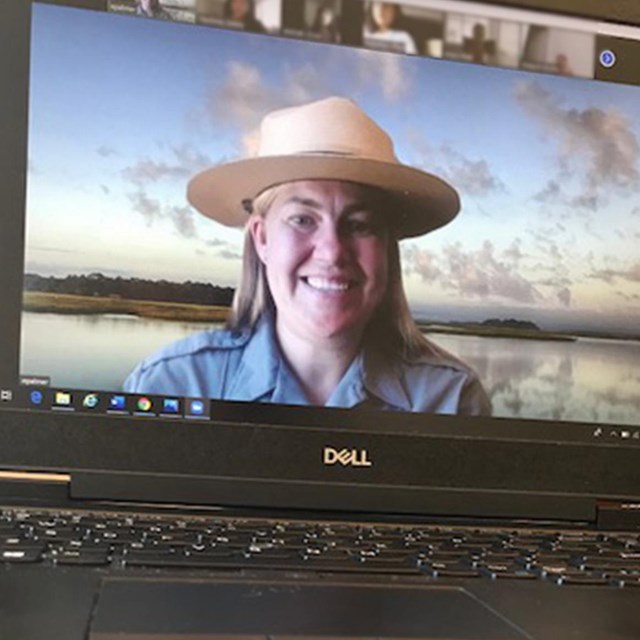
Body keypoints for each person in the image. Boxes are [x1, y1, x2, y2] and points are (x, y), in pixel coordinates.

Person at [125, 97, 491, 415]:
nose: (332, 252)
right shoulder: (169, 386)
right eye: (302, 219)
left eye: (360, 224)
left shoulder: (452, 401)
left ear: (386, 248)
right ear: (262, 238)